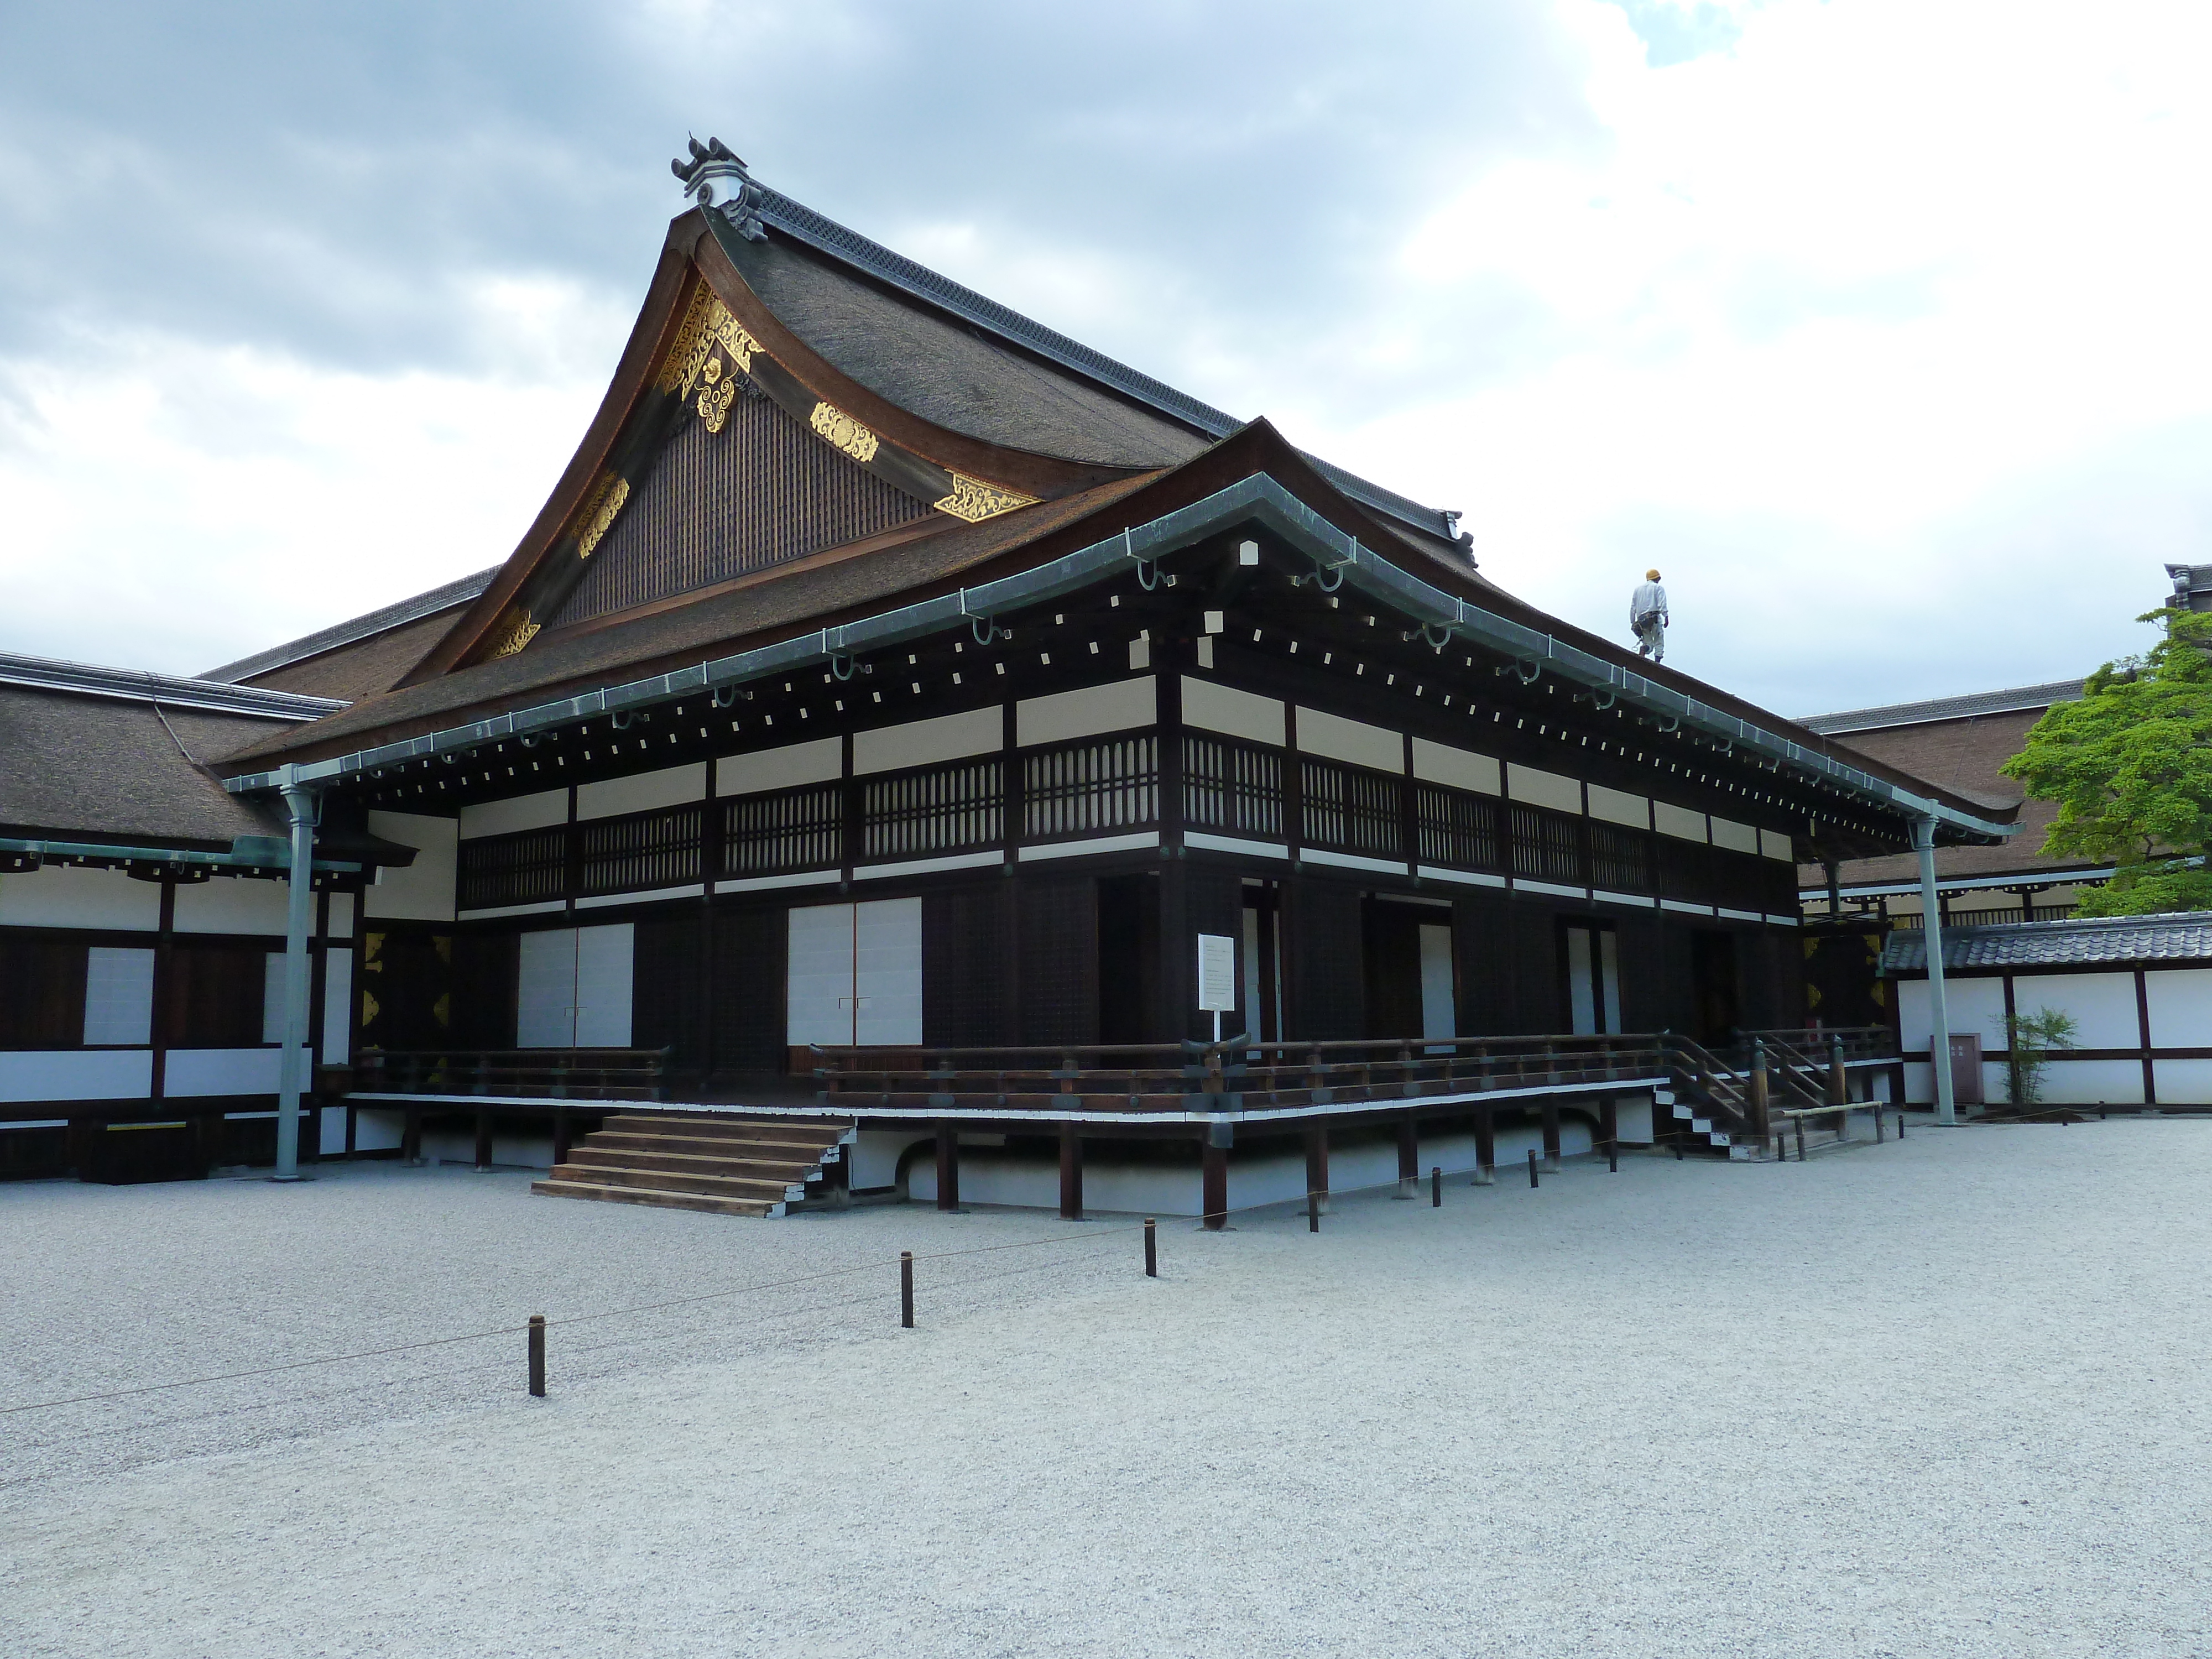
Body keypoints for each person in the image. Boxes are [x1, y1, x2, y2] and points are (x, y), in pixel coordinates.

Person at [1630, 568, 1668, 663]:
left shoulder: (1637, 590)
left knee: (1648, 644)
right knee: (1659, 641)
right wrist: (1666, 616)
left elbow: (1633, 607)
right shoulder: (1658, 588)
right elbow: (1662, 603)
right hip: (1654, 617)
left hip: (1641, 620)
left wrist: (1633, 622)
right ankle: (1657, 663)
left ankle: (1644, 649)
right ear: (1657, 578)